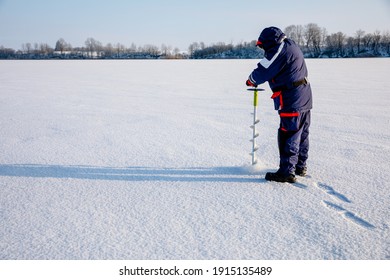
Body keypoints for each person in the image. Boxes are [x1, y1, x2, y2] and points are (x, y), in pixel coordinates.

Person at [246, 26, 313, 183]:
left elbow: (264, 70)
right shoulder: (291, 45)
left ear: (270, 42)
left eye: (263, 45)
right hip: (303, 95)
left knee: (288, 132)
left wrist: (251, 80)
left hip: (292, 98)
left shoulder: (279, 49)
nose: (263, 49)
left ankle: (286, 172)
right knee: (301, 132)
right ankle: (299, 166)